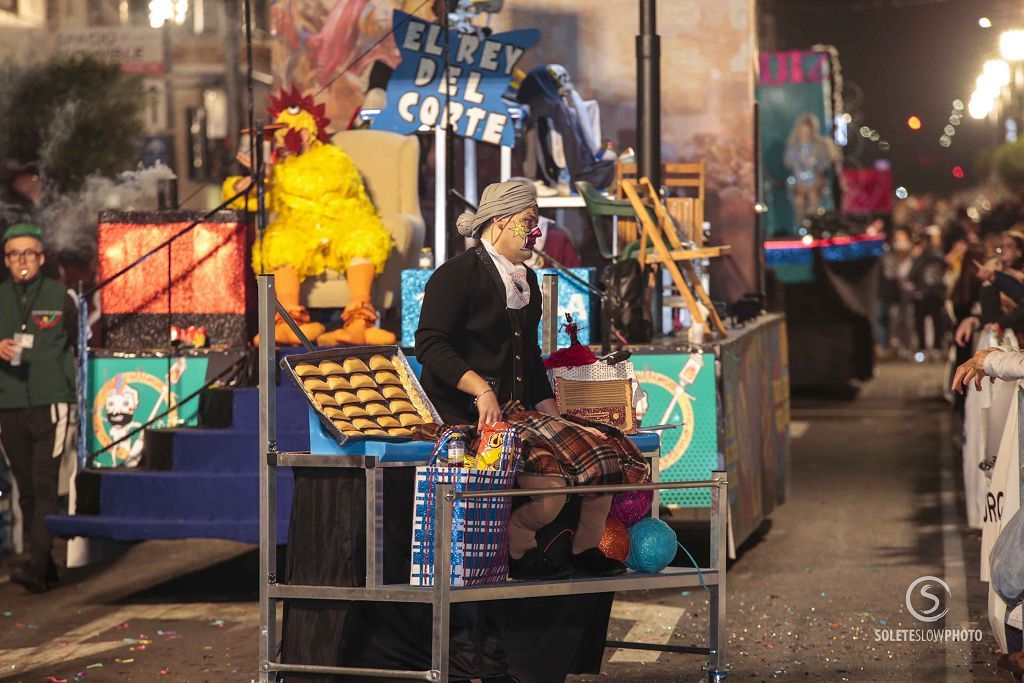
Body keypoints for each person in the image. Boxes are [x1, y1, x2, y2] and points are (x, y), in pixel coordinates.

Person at [416, 179, 642, 580]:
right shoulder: (456, 276)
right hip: (470, 415)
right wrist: (480, 388)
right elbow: (431, 347)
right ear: (500, 222)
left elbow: (530, 361)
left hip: (520, 412)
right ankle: (520, 547)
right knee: (552, 486)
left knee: (604, 452)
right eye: (528, 222)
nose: (536, 233)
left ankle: (585, 548)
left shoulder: (526, 282)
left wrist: (557, 416)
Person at [0, 223, 77, 592]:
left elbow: (77, 344)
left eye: (29, 253)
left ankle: (36, 563)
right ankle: (42, 563)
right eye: (15, 254)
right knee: (26, 487)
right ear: (6, 260)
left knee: (45, 484)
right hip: (9, 402)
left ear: (42, 258)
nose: (23, 260)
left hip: (51, 401)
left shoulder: (61, 296)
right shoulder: (0, 298)